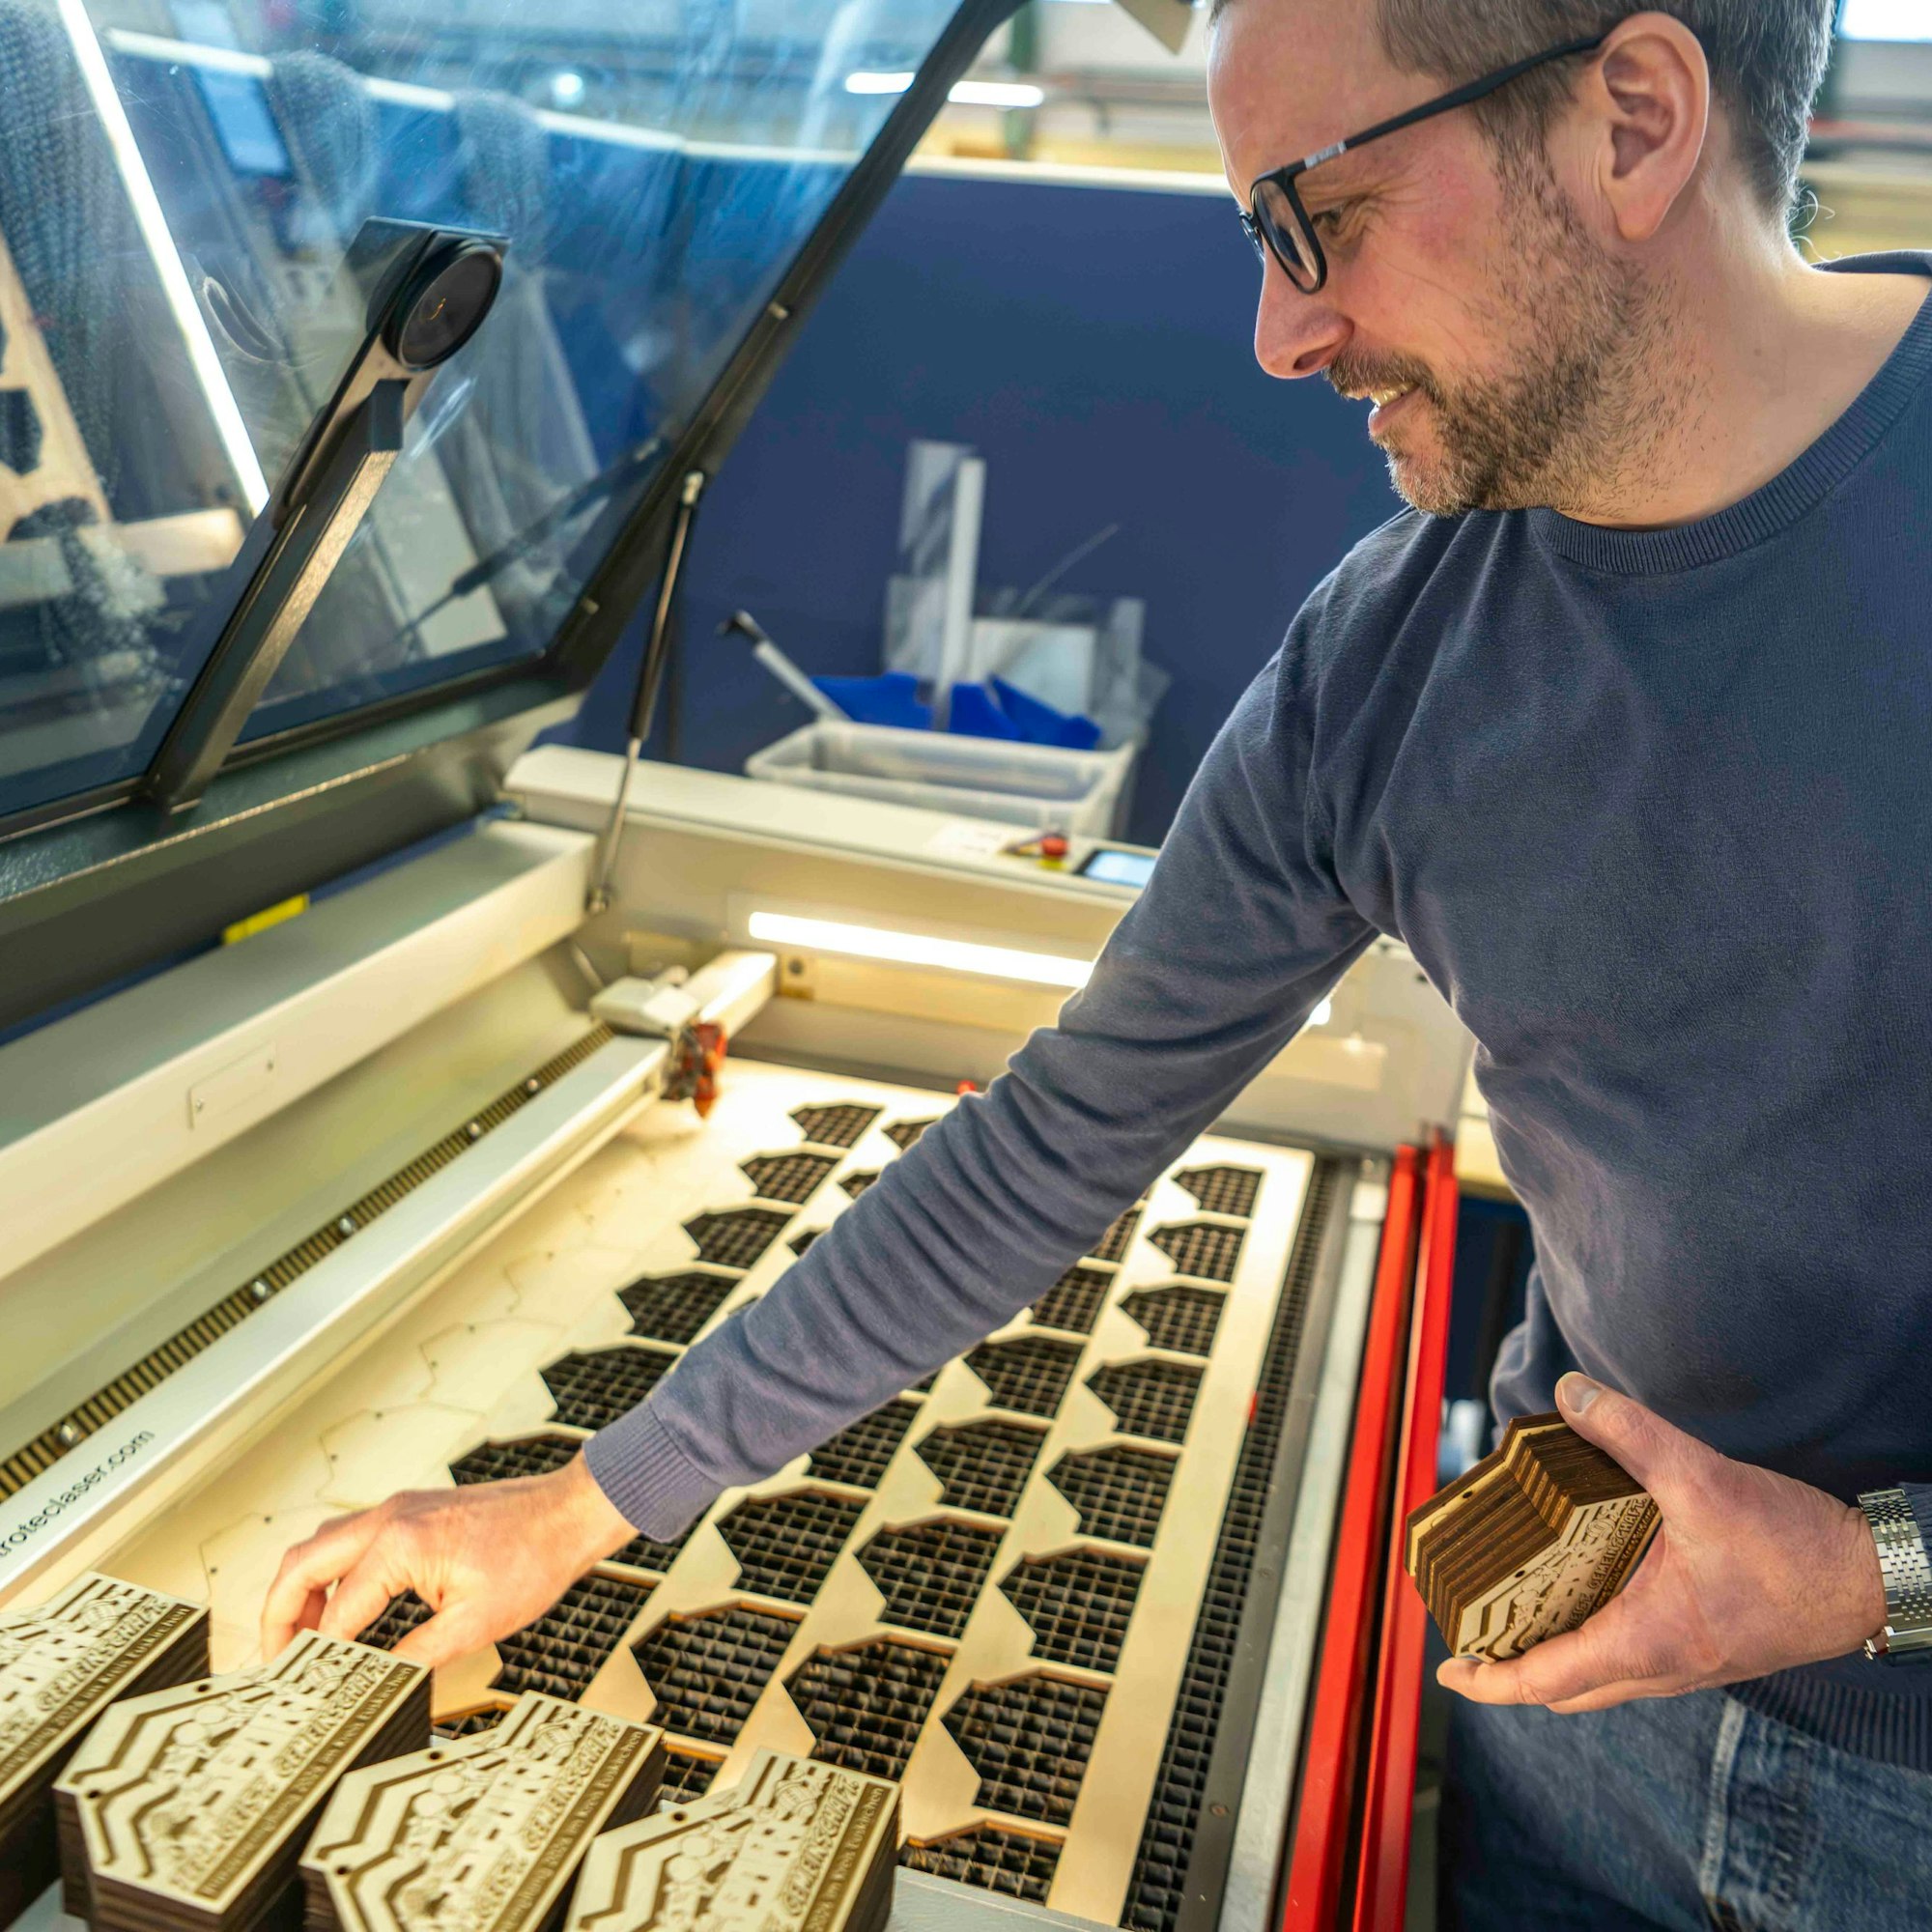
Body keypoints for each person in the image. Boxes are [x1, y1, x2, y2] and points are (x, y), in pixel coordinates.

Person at [263, 4, 1932, 1923]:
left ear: (1631, 122)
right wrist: (576, 1505)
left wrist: (1852, 1572)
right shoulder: (1385, 666)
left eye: (1319, 216)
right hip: (1559, 1725)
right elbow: (1050, 1138)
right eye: (1254, 236)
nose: (1279, 335)